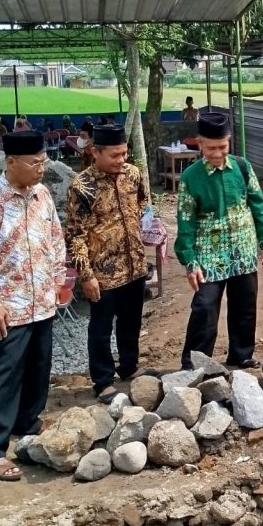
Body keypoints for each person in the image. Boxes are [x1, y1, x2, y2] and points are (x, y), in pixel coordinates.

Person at [0, 131, 67, 481]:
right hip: (9, 306)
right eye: (35, 163)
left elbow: (55, 238)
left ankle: (27, 421)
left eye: (44, 161)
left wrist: (57, 278)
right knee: (4, 376)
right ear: (11, 162)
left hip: (42, 301)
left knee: (39, 367)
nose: (42, 169)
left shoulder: (42, 195)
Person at [66, 124, 156, 403]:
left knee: (131, 321)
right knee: (101, 328)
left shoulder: (133, 174)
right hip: (102, 273)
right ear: (96, 152)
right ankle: (103, 380)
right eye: (114, 155)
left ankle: (129, 366)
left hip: (134, 265)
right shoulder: (82, 187)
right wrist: (86, 275)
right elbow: (75, 235)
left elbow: (140, 206)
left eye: (124, 154)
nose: (121, 160)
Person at [175, 113, 263, 370]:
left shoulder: (242, 167)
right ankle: (194, 363)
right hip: (208, 253)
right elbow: (185, 221)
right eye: (210, 148)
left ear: (229, 141)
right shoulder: (191, 178)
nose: (217, 153)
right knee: (204, 307)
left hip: (243, 248)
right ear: (200, 144)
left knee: (245, 304)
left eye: (222, 147)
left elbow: (257, 203)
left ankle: (241, 355)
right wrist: (189, 260)